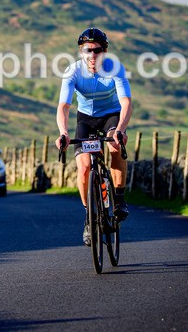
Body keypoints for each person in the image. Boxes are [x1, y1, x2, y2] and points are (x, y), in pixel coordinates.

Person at [55, 27, 133, 247]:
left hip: (111, 115)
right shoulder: (72, 71)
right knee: (84, 167)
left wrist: (120, 129)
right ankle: (89, 216)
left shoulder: (115, 68)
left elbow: (126, 102)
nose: (92, 55)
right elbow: (64, 106)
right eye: (87, 50)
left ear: (104, 51)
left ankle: (119, 199)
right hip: (86, 119)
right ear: (81, 52)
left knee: (115, 146)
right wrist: (63, 132)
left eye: (97, 50)